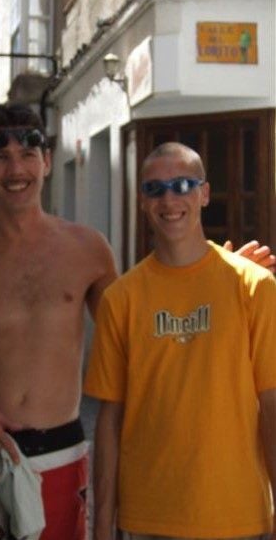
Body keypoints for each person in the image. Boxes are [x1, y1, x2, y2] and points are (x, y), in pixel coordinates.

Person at [0, 107, 275, 540]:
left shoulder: (86, 250)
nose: (16, 170)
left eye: (28, 154)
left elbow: (140, 330)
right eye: (1, 157)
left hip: (59, 453)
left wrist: (219, 276)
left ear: (47, 161)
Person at [83, 142, 276, 540]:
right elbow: (110, 420)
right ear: (143, 201)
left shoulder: (254, 286)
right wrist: (101, 525)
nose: (169, 199)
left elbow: (272, 405)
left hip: (237, 516)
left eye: (183, 185)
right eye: (155, 189)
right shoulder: (121, 299)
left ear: (204, 194)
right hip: (147, 518)